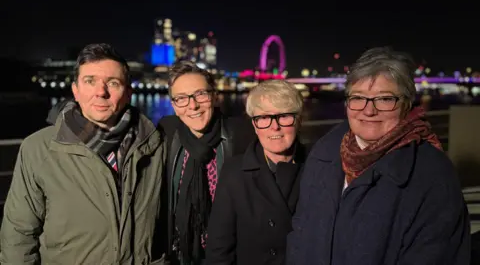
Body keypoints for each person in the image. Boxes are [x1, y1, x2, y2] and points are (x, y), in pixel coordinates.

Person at [287, 47, 471, 265]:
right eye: (358, 98)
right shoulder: (323, 153)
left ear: (406, 103)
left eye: (384, 99)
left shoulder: (432, 175)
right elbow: (300, 235)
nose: (368, 110)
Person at [0, 43, 167, 264]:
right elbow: (18, 236)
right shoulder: (38, 148)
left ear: (128, 93)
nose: (101, 92)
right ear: (75, 90)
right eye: (90, 81)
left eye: (113, 83)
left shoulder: (155, 146)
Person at [157, 60, 254, 264]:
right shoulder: (166, 134)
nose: (192, 105)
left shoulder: (242, 136)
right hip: (177, 255)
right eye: (181, 98)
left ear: (214, 96)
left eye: (200, 94)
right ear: (174, 106)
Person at [206, 80, 308, 265]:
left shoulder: (318, 168)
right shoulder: (234, 173)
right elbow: (219, 250)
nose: (274, 126)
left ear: (298, 120)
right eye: (263, 118)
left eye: (284, 116)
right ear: (254, 125)